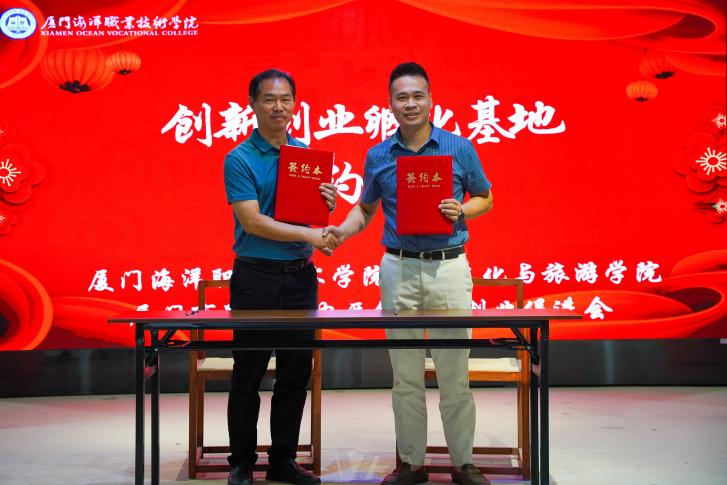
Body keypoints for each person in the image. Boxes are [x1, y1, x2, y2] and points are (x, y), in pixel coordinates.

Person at [323, 62, 493, 485]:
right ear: (390, 104)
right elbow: (365, 209)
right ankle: (412, 464)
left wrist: (462, 209)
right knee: (405, 375)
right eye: (402, 97)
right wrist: (340, 232)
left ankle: (463, 463)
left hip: (448, 267)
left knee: (455, 373)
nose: (411, 104)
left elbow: (485, 197)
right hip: (398, 267)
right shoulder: (379, 155)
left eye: (418, 95)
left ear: (431, 99)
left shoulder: (458, 147)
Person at [223, 68, 337, 485]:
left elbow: (307, 216)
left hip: (300, 277)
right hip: (256, 278)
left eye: (286, 99)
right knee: (248, 373)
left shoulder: (304, 156)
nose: (278, 107)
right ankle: (241, 461)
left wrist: (325, 202)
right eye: (269, 99)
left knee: (295, 372)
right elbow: (253, 222)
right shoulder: (239, 158)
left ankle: (282, 460)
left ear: (295, 104)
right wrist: (310, 234)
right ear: (252, 104)